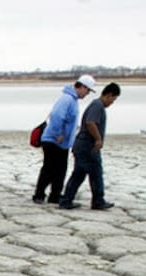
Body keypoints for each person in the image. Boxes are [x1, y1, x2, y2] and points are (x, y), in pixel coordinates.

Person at [58, 82, 122, 210]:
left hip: (81, 146)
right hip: (87, 147)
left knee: (78, 175)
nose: (112, 102)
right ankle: (98, 201)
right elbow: (90, 122)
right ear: (108, 95)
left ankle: (66, 200)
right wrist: (98, 139)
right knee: (96, 173)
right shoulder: (97, 106)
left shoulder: (96, 105)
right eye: (113, 99)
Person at [33, 75, 96, 204]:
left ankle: (55, 195)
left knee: (60, 170)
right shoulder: (67, 99)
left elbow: (68, 119)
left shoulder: (72, 100)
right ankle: (39, 195)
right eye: (88, 90)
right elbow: (57, 116)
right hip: (54, 140)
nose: (87, 94)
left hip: (62, 143)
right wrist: (59, 133)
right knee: (50, 168)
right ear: (82, 87)